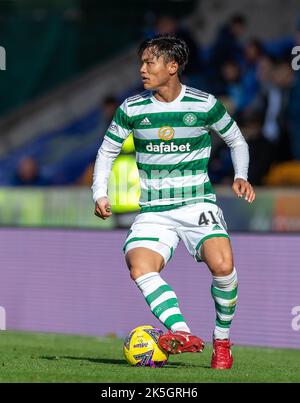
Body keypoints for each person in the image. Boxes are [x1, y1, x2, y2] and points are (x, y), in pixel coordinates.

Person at [92, 35, 255, 370]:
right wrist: (99, 192)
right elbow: (107, 150)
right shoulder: (132, 108)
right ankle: (181, 332)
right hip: (154, 210)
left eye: (149, 62)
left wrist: (241, 174)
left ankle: (221, 342)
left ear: (173, 66)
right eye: (141, 63)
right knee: (139, 266)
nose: (142, 70)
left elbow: (236, 138)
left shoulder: (204, 104)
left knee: (223, 266)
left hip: (197, 204)